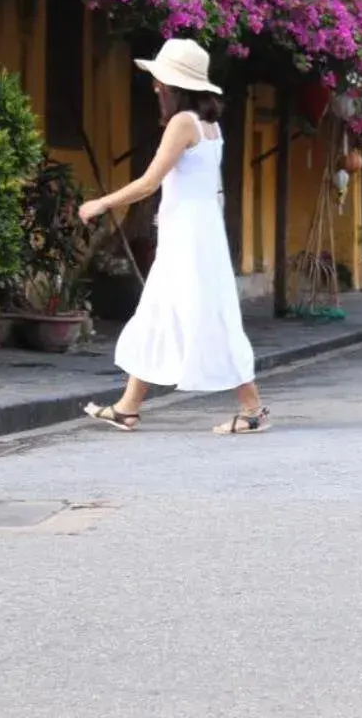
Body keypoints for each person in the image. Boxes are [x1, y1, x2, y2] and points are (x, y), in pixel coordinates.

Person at [78, 38, 268, 436]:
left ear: (174, 86)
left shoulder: (183, 123)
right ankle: (128, 407)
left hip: (188, 237)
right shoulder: (211, 127)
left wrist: (101, 203)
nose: (155, 87)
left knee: (198, 315)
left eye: (160, 81)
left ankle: (252, 408)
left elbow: (150, 183)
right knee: (164, 313)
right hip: (200, 232)